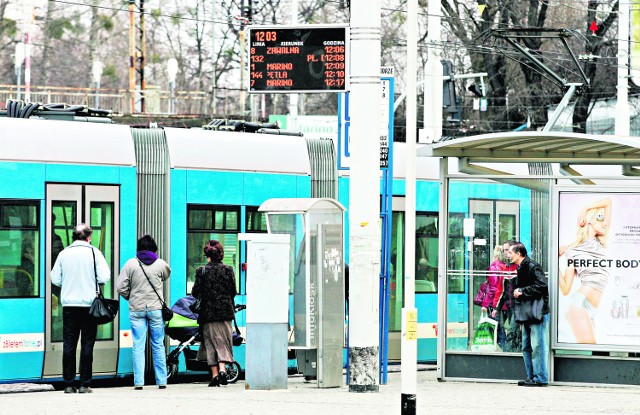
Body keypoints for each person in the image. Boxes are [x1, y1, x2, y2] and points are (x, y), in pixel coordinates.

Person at [51, 224, 111, 394]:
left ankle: (69, 384)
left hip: (69, 306)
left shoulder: (64, 253)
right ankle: (85, 384)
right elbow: (105, 276)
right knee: (87, 344)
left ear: (73, 236)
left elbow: (55, 278)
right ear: (89, 237)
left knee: (69, 344)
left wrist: (68, 283)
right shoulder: (94, 253)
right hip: (89, 305)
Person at [116, 235, 171, 390]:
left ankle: (139, 382)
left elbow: (120, 287)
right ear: (154, 248)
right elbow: (167, 275)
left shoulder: (131, 264)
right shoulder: (161, 264)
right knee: (158, 344)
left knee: (138, 345)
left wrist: (130, 296)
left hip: (136, 309)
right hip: (155, 309)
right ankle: (161, 381)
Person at [559, 197, 612, 344]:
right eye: (600, 218)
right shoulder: (573, 250)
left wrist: (586, 208)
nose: (605, 222)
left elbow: (608, 202)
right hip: (579, 305)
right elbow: (565, 288)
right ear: (589, 220)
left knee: (594, 353)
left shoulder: (601, 242)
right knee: (591, 353)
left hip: (592, 309)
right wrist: (554, 260)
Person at [503, 241, 549, 387]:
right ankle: (531, 377)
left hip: (536, 312)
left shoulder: (532, 266)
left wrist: (522, 291)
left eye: (510, 252)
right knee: (527, 346)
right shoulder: (522, 267)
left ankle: (540, 378)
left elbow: (542, 286)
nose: (508, 255)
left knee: (537, 346)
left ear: (518, 253)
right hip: (527, 312)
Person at [192, 239, 237, 387]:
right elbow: (233, 292)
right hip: (225, 313)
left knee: (210, 343)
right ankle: (223, 369)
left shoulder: (201, 271)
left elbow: (195, 292)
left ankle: (215, 376)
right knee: (223, 341)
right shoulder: (229, 270)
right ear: (221, 255)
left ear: (208, 256)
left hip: (208, 313)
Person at [490, 241, 519, 351]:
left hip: (518, 306)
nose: (506, 253)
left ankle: (508, 352)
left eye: (508, 251)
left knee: (511, 331)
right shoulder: (506, 268)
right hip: (509, 304)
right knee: (508, 331)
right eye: (505, 250)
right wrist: (496, 307)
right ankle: (510, 352)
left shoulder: (519, 267)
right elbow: (501, 290)